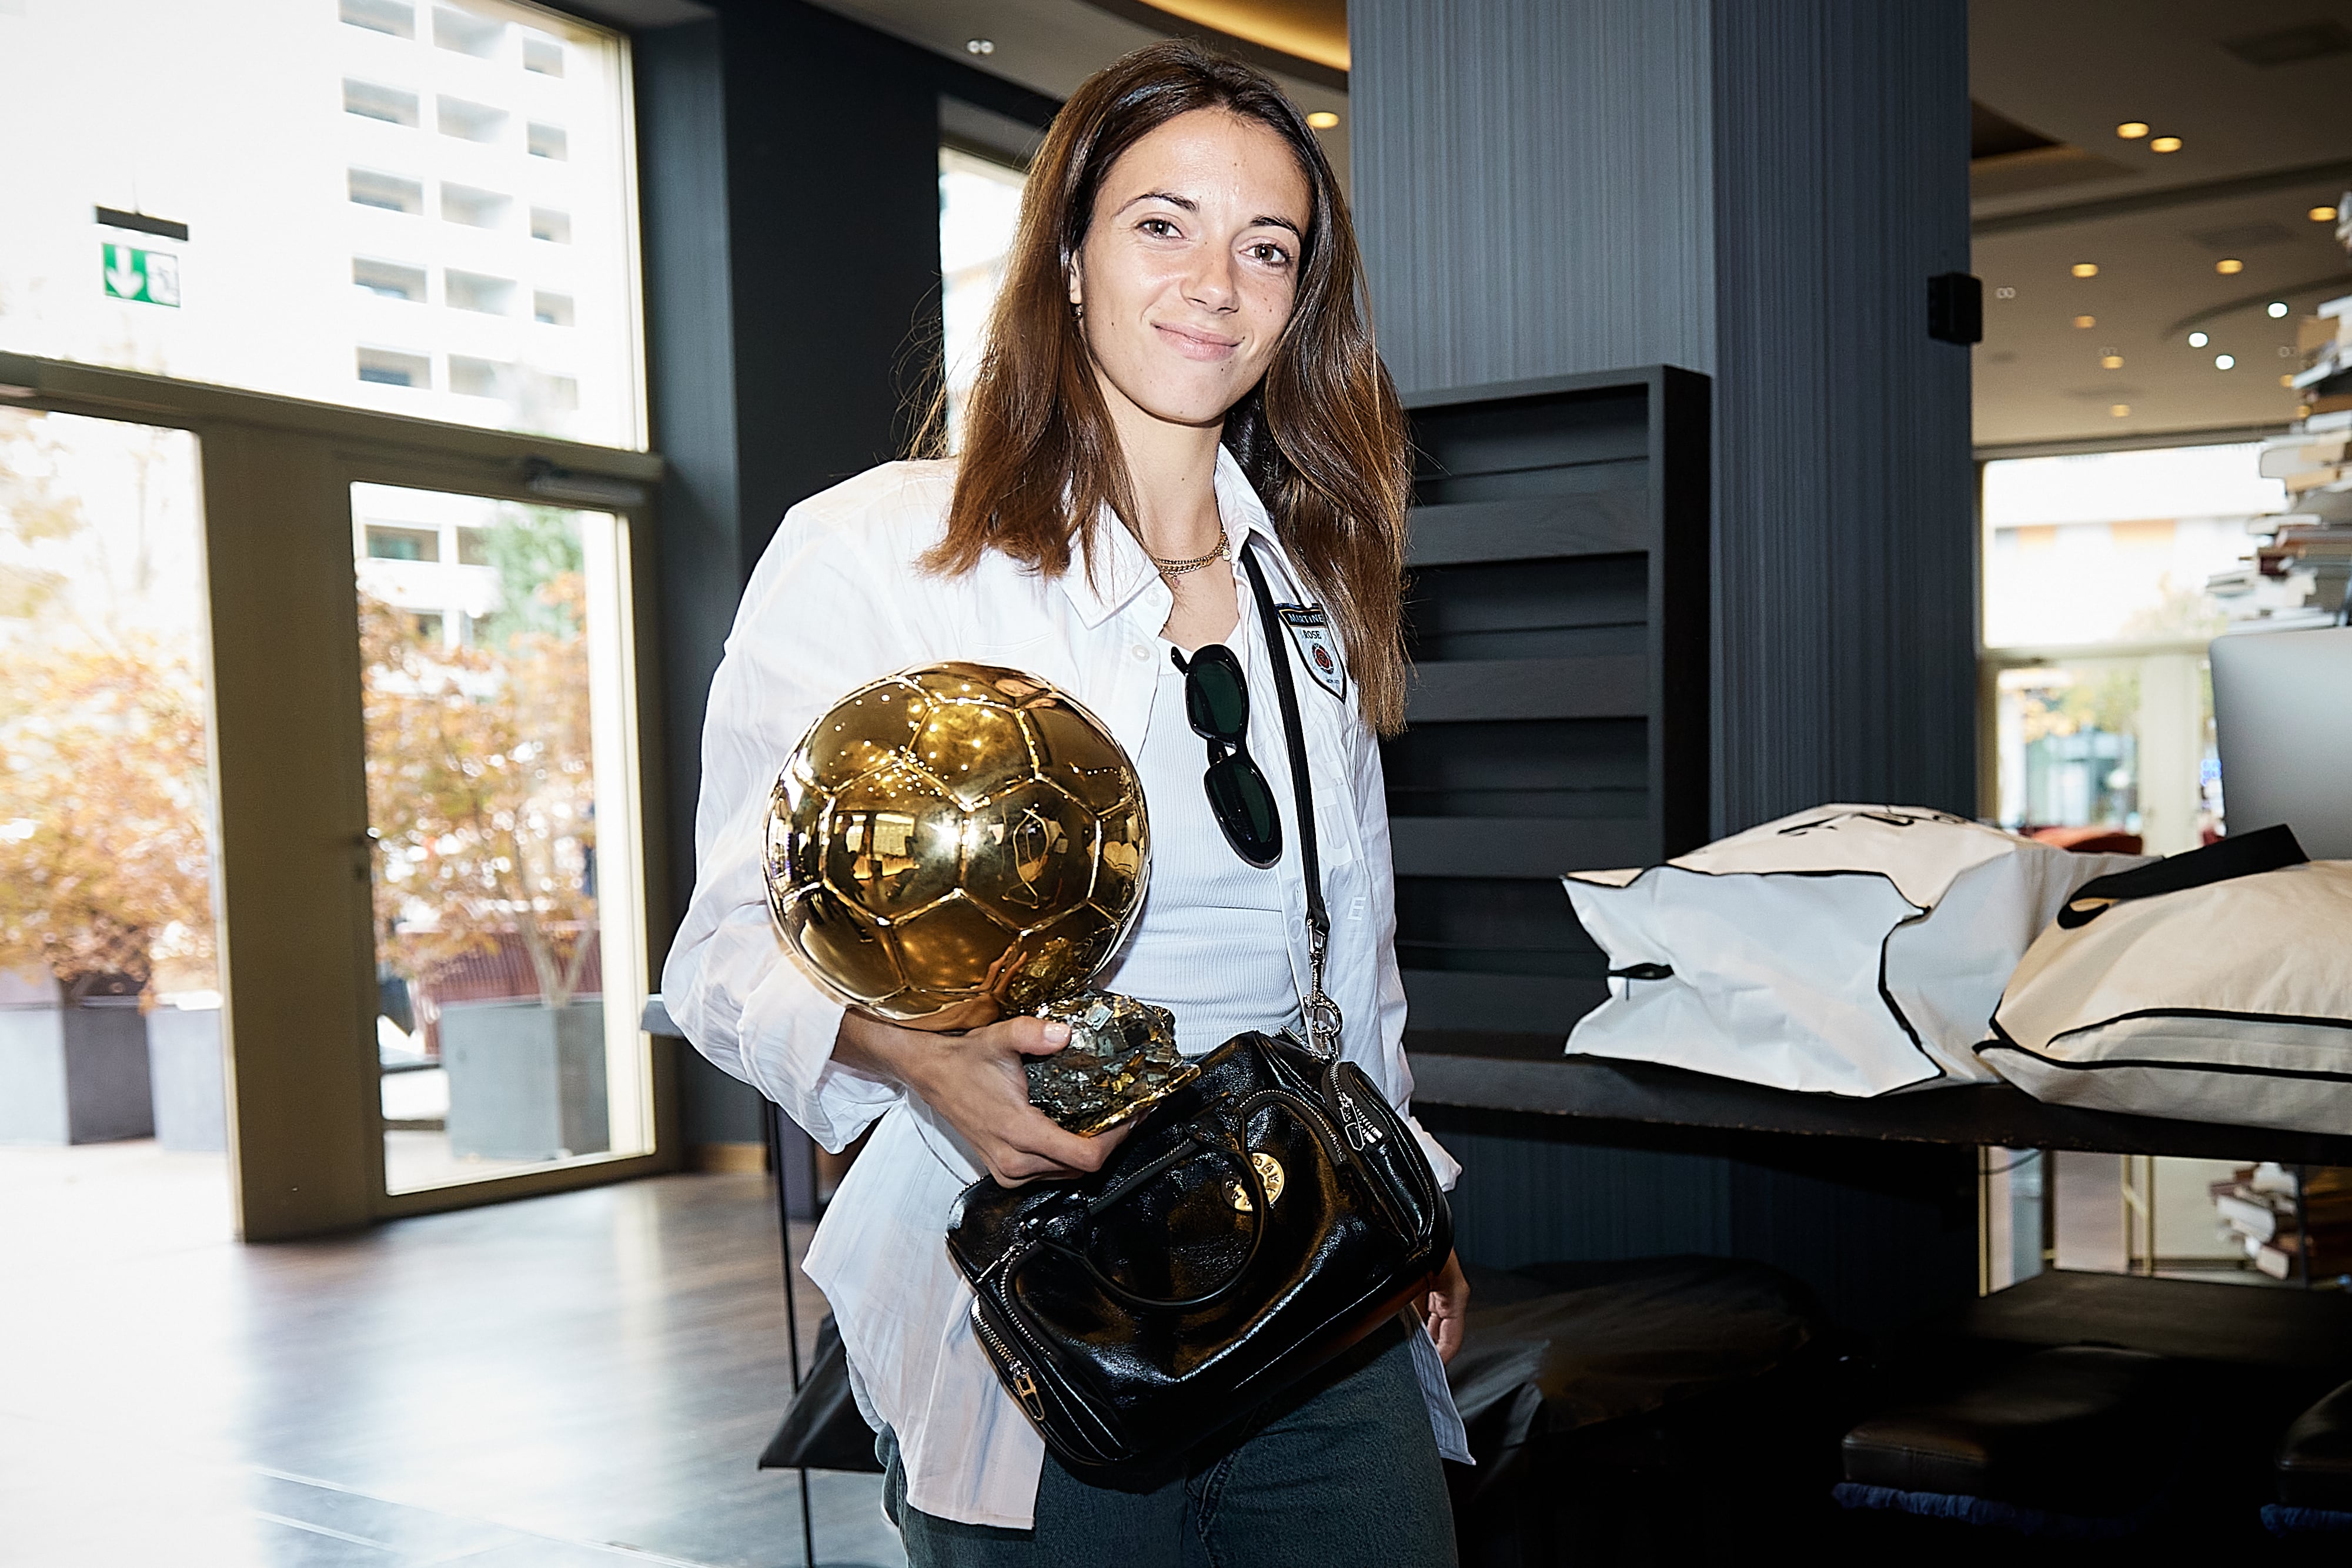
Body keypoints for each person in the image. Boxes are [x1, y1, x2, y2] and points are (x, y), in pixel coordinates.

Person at [664, 40, 1469, 1567]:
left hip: (1316, 1268)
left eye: (1267, 247)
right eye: (1163, 223)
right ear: (1071, 255)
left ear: (1303, 301)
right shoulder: (885, 556)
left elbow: (1353, 970)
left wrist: (1412, 1208)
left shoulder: (1311, 594)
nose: (1214, 284)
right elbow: (721, 953)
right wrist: (922, 1059)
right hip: (1042, 1298)